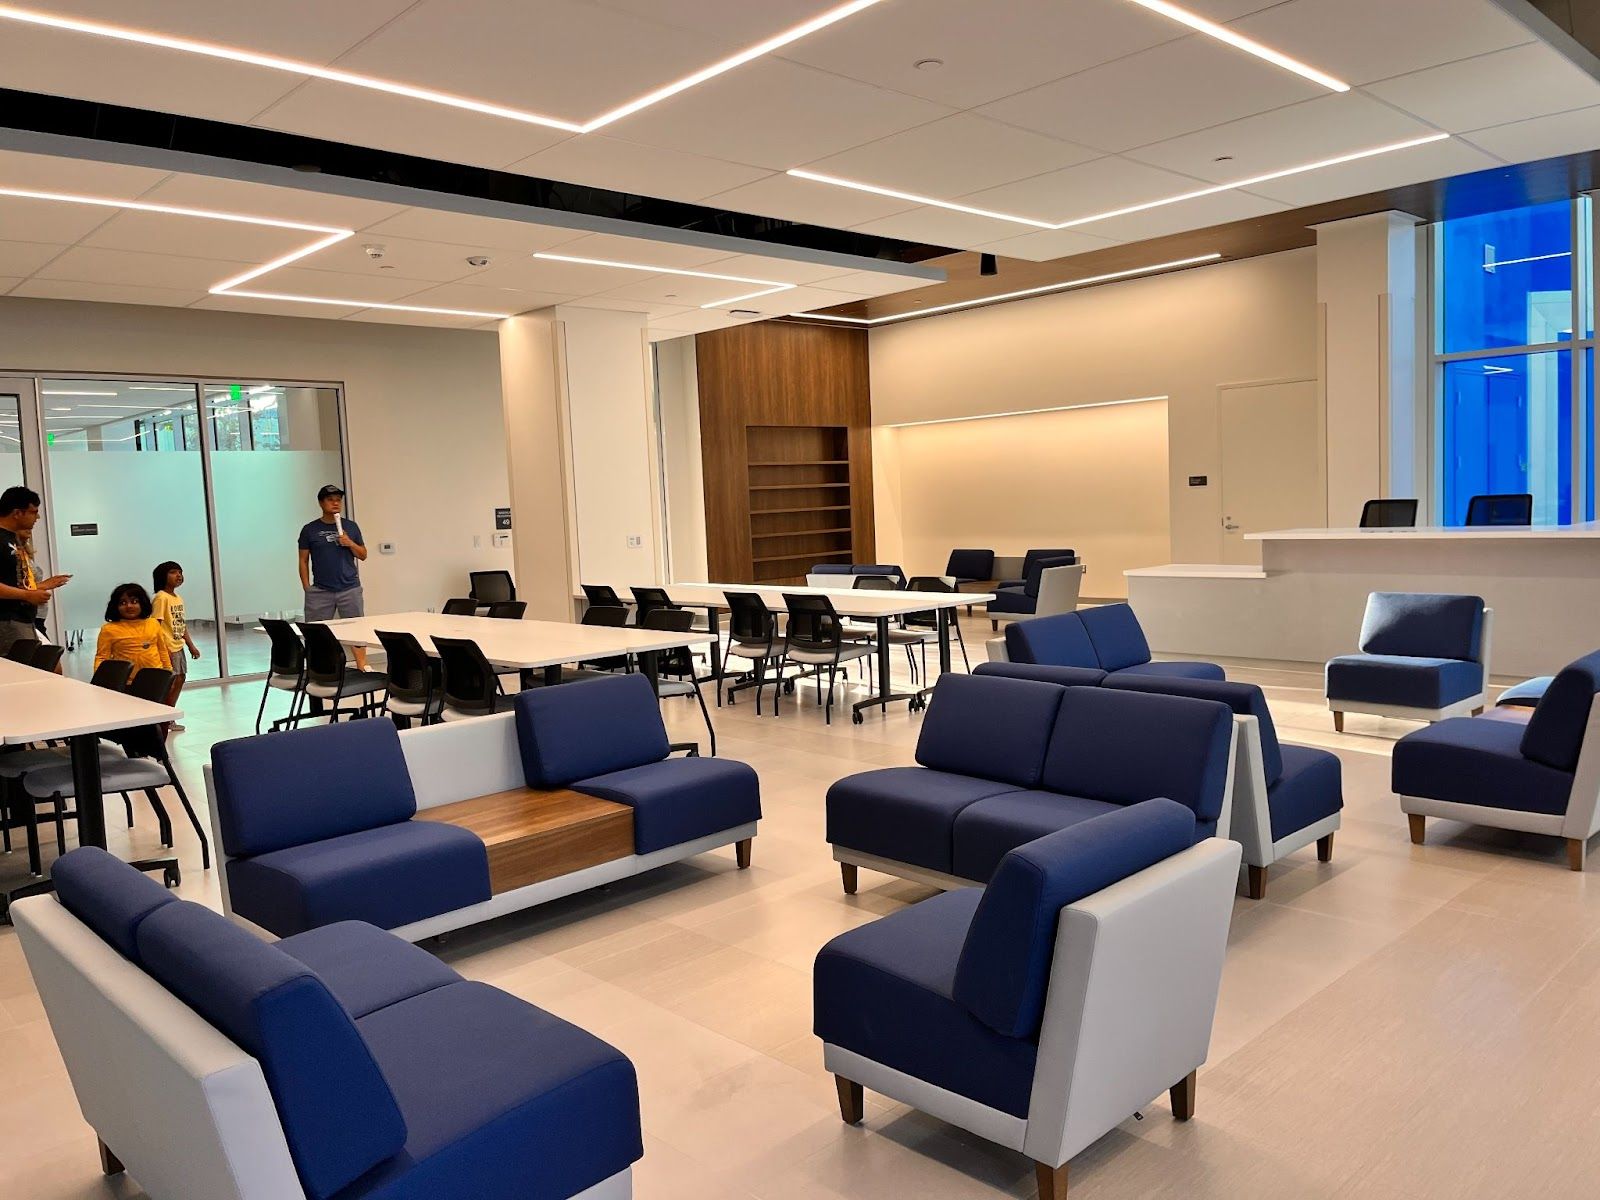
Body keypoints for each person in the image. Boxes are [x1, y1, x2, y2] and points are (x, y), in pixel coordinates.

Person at [298, 483, 369, 668]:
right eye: (330, 500)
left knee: (357, 630)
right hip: (320, 590)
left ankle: (362, 667)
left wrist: (349, 543)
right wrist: (307, 587)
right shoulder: (309, 529)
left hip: (349, 588)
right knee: (316, 632)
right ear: (321, 503)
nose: (335, 503)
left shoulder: (351, 526)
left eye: (338, 500)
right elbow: (303, 560)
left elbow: (363, 555)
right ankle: (319, 669)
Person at [0, 486, 70, 656]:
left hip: (23, 618)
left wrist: (40, 586)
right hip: (7, 620)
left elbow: (13, 581)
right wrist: (27, 595)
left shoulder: (12, 538)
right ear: (17, 513)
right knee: (21, 668)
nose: (37, 517)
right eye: (33, 512)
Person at [151, 560, 200, 729]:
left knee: (180, 679)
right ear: (162, 576)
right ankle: (165, 719)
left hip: (178, 645)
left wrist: (190, 645)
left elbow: (181, 623)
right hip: (168, 647)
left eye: (180, 572)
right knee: (170, 683)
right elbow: (155, 625)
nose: (178, 575)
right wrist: (163, 649)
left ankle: (168, 716)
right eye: (173, 572)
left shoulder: (177, 598)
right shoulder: (161, 597)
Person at [95, 582, 172, 679]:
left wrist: (168, 672)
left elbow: (162, 650)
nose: (129, 606)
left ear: (142, 603)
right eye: (123, 603)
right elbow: (102, 658)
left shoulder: (153, 623)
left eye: (134, 601)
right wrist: (100, 680)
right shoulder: (108, 629)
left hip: (155, 677)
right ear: (115, 606)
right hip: (125, 680)